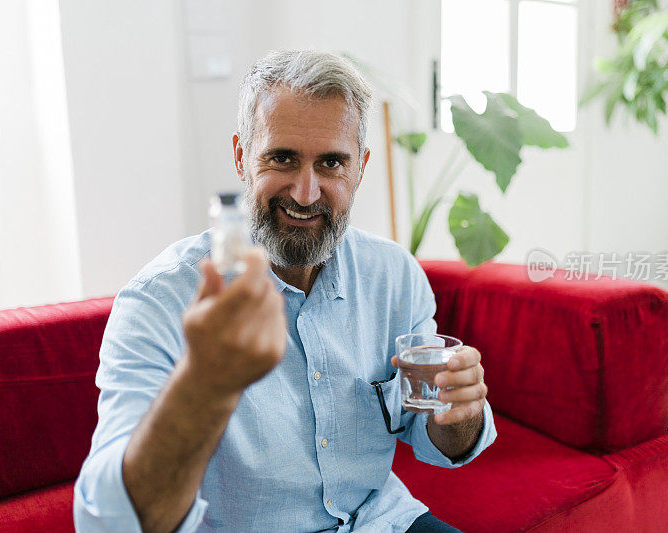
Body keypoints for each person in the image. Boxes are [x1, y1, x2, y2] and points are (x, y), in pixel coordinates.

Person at [73, 50, 496, 533]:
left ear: (359, 168)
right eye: (282, 158)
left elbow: (438, 440)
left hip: (384, 523)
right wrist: (202, 386)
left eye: (332, 163)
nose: (305, 192)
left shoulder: (394, 275)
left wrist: (459, 409)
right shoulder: (158, 301)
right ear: (241, 157)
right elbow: (107, 523)